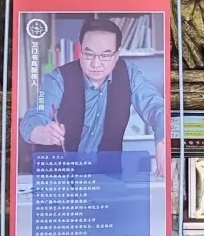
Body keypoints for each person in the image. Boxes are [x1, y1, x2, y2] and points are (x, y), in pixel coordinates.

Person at [20, 18, 167, 177]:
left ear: (117, 54)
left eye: (105, 55)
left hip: (107, 178)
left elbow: (156, 108)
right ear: (80, 49)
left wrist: (163, 141)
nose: (96, 64)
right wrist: (41, 132)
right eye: (88, 54)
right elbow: (34, 116)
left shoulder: (129, 74)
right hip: (58, 177)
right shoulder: (58, 78)